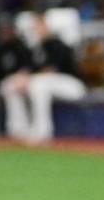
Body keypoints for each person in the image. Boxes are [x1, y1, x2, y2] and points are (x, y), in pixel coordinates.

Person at [6, 13, 86, 143]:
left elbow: (51, 70)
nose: (37, 29)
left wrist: (29, 79)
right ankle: (19, 130)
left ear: (48, 26)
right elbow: (28, 69)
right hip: (49, 86)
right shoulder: (36, 48)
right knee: (12, 84)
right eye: (35, 26)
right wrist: (22, 78)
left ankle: (43, 131)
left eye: (40, 26)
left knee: (38, 84)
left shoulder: (58, 44)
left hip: (73, 86)